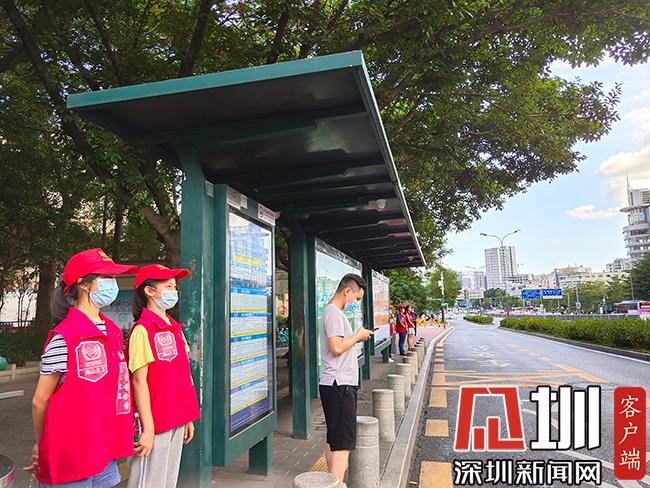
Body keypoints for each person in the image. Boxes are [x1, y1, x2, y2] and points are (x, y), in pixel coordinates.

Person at [25, 248, 138, 487]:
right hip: (71, 457)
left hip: (105, 452)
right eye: (106, 277)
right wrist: (42, 443)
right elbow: (39, 401)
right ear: (83, 284)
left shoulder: (113, 332)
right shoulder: (64, 337)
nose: (113, 284)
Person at [127, 264, 200, 488]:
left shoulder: (175, 327)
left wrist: (187, 416)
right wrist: (148, 428)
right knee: (148, 482)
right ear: (149, 291)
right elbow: (139, 381)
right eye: (168, 286)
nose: (173, 291)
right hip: (154, 422)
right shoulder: (142, 330)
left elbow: (183, 374)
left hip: (176, 417)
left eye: (174, 287)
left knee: (167, 481)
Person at [319, 273, 373, 488]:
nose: (355, 303)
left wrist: (356, 336)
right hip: (339, 384)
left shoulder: (332, 312)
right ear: (347, 291)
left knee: (334, 438)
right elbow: (336, 347)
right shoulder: (334, 313)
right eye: (357, 298)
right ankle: (337, 483)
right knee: (343, 442)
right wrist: (358, 336)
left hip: (335, 383)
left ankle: (333, 482)